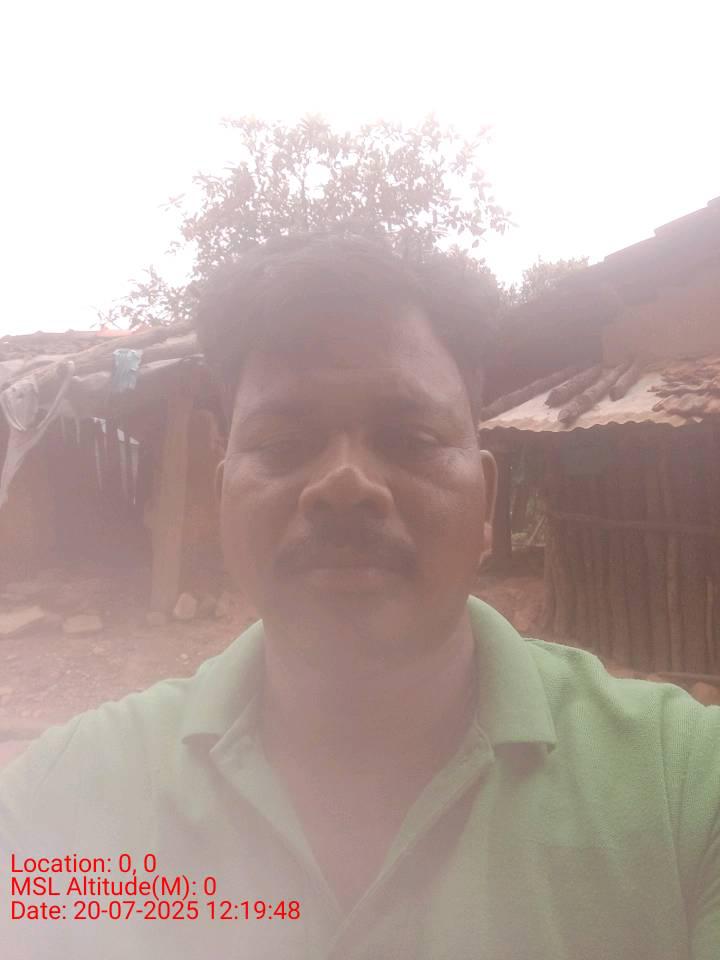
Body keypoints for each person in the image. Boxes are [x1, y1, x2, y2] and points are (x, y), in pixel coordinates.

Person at [1, 235, 718, 959]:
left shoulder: (683, 789)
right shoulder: (65, 799)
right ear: (222, 503)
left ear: (486, 504)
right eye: (283, 446)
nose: (344, 484)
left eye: (410, 438)